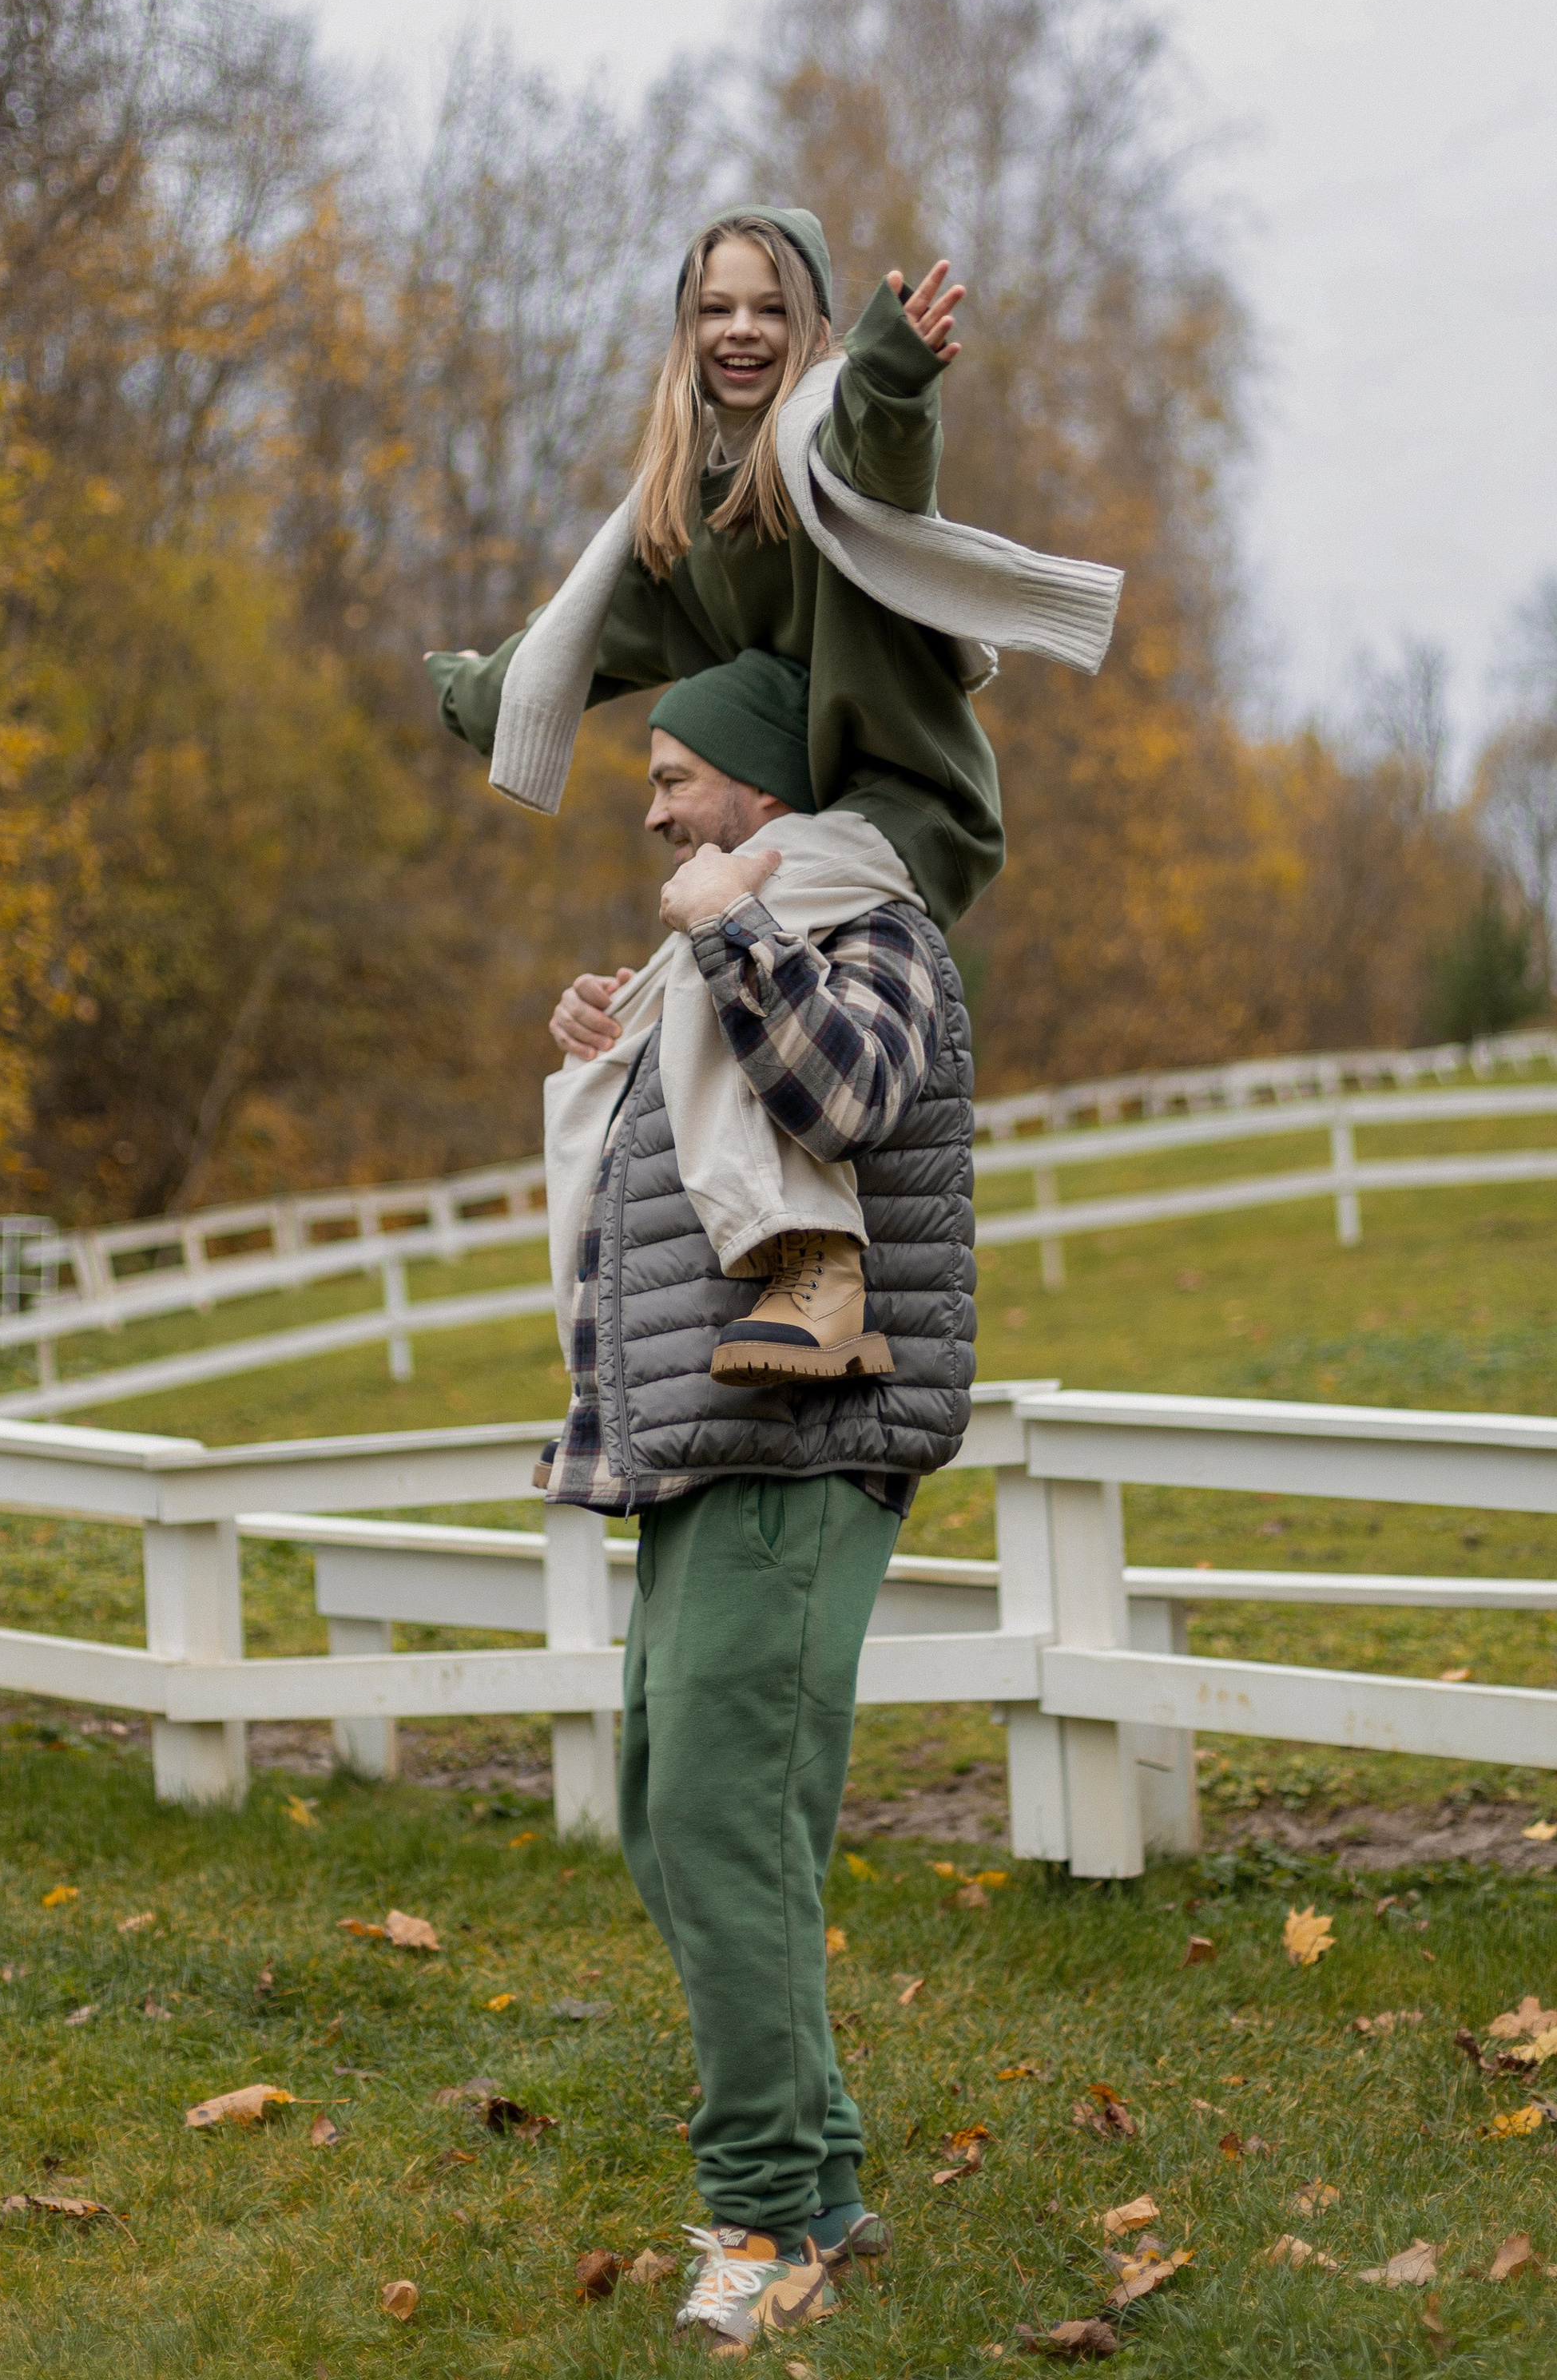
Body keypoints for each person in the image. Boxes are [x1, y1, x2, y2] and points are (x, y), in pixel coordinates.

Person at [427, 208, 1122, 1378]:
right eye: (715, 309)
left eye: (767, 308)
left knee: (716, 936)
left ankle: (815, 1264)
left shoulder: (818, 446)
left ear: (805, 324)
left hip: (901, 807)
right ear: (685, 329)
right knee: (600, 1052)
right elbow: (586, 634)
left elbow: (881, 462)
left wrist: (894, 377)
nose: (740, 332)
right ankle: (604, 1369)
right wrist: (483, 693)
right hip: (794, 826)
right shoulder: (682, 515)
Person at [538, 656, 978, 2351]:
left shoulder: (868, 926)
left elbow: (850, 1093)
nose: (650, 809)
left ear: (759, 789)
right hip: (706, 1451)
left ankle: (758, 2217)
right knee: (679, 1817)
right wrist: (618, 1039)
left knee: (725, 1830)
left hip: (804, 1447)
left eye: (673, 777)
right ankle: (831, 2181)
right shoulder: (729, 946)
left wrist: (726, 932)